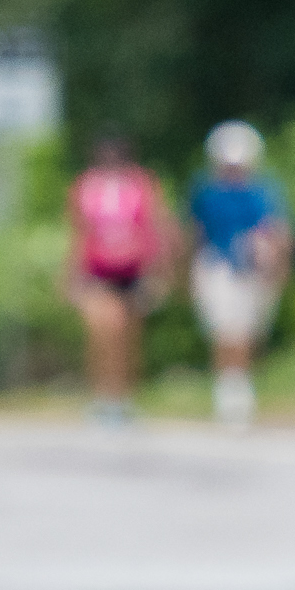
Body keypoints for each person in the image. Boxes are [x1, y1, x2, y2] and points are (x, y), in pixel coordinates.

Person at [64, 136, 175, 422]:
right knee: (103, 330)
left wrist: (159, 271)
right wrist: (70, 275)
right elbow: (78, 233)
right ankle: (101, 396)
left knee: (128, 337)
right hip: (98, 270)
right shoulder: (85, 187)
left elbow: (156, 228)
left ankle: (123, 398)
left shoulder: (142, 185)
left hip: (133, 270)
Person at [187, 120, 290, 426]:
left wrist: (276, 266)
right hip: (218, 265)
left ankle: (239, 389)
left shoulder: (262, 191)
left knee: (246, 331)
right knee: (226, 330)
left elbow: (275, 232)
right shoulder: (207, 191)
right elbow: (196, 231)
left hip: (253, 270)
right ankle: (230, 395)